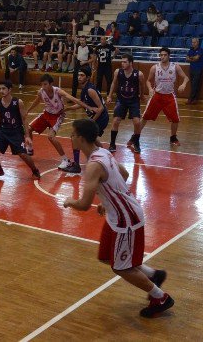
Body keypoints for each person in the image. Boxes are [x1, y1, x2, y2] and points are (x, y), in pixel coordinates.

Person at [63, 118, 174, 318]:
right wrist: (107, 200)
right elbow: (123, 174)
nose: (70, 137)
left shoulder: (93, 166)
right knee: (106, 256)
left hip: (126, 220)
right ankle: (153, 275)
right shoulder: (103, 152)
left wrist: (70, 201)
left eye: (72, 134)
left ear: (80, 138)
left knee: (121, 268)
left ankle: (160, 297)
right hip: (119, 215)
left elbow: (84, 204)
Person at [25, 74, 85, 173]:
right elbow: (37, 101)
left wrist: (86, 105)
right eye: (42, 85)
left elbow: (72, 98)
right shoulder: (41, 92)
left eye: (45, 84)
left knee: (51, 137)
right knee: (28, 129)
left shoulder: (58, 91)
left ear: (51, 84)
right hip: (46, 114)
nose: (43, 87)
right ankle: (30, 149)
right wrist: (28, 110)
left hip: (58, 115)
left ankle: (65, 160)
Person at [0, 80, 40, 180]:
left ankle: (35, 170)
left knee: (23, 154)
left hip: (16, 131)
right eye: (0, 88)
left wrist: (27, 136)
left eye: (3, 88)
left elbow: (24, 120)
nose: (1, 91)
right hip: (3, 131)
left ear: (10, 89)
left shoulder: (18, 102)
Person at [137, 47, 189, 146]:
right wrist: (150, 89)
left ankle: (173, 137)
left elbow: (186, 78)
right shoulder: (155, 67)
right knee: (145, 117)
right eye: (161, 55)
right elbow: (148, 81)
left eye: (165, 55)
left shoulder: (175, 67)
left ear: (169, 56)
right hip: (157, 95)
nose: (163, 57)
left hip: (169, 96)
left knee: (175, 119)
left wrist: (183, 84)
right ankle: (135, 136)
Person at [107, 54, 147, 153]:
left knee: (137, 122)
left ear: (131, 63)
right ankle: (112, 143)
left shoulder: (139, 74)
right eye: (122, 61)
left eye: (125, 62)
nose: (122, 63)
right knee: (116, 120)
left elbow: (142, 86)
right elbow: (113, 83)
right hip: (121, 99)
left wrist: (142, 95)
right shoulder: (118, 72)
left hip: (133, 100)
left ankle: (136, 142)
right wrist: (109, 95)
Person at [185, 37, 203, 105]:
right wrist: (193, 58)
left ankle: (191, 99)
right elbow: (187, 59)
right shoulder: (190, 50)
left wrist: (191, 58)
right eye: (192, 42)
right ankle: (195, 99)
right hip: (192, 69)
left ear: (198, 43)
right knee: (193, 84)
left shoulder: (200, 50)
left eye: (194, 42)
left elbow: (197, 58)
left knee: (195, 84)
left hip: (198, 69)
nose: (193, 44)